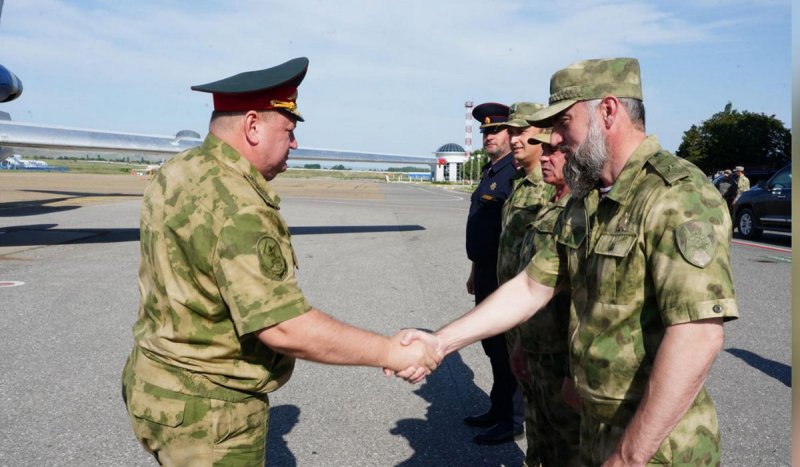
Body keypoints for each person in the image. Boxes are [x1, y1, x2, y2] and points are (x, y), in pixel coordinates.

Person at [398, 57, 738, 465]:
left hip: (658, 443)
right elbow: (530, 286)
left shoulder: (676, 196)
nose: (555, 140)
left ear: (607, 112)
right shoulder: (587, 199)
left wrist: (629, 456)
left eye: (563, 123)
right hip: (594, 426)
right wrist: (442, 341)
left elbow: (697, 336)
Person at [121, 57, 439, 466]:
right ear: (252, 126)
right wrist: (391, 352)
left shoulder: (179, 170)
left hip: (156, 386)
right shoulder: (238, 205)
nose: (295, 143)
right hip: (209, 412)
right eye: (288, 131)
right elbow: (284, 327)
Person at [512, 129, 581, 466]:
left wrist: (572, 372)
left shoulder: (581, 214)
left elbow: (583, 306)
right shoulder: (551, 206)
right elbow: (530, 285)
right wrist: (522, 344)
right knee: (538, 436)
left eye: (555, 151)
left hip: (560, 356)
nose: (544, 158)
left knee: (565, 446)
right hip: (537, 348)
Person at [494, 101, 553, 462]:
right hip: (513, 305)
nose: (514, 139)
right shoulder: (518, 183)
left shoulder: (551, 186)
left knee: (548, 407)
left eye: (521, 132)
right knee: (530, 395)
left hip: (537, 314)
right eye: (512, 132)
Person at [463, 102, 524, 445]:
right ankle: (498, 407)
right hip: (486, 271)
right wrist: (475, 270)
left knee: (505, 347)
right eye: (485, 131)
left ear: (511, 133)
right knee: (491, 346)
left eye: (495, 131)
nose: (488, 136)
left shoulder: (513, 173)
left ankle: (512, 418)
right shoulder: (491, 171)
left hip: (505, 275)